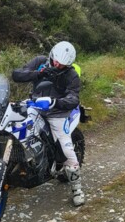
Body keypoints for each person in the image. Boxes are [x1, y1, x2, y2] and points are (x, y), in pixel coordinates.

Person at [12, 41, 86, 206]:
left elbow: (74, 98)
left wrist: (55, 102)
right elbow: (17, 74)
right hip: (33, 105)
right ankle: (13, 168)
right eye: (56, 61)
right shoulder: (40, 61)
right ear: (52, 55)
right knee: (14, 127)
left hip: (57, 113)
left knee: (67, 150)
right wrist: (38, 74)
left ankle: (77, 189)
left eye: (63, 64)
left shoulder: (71, 74)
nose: (58, 65)